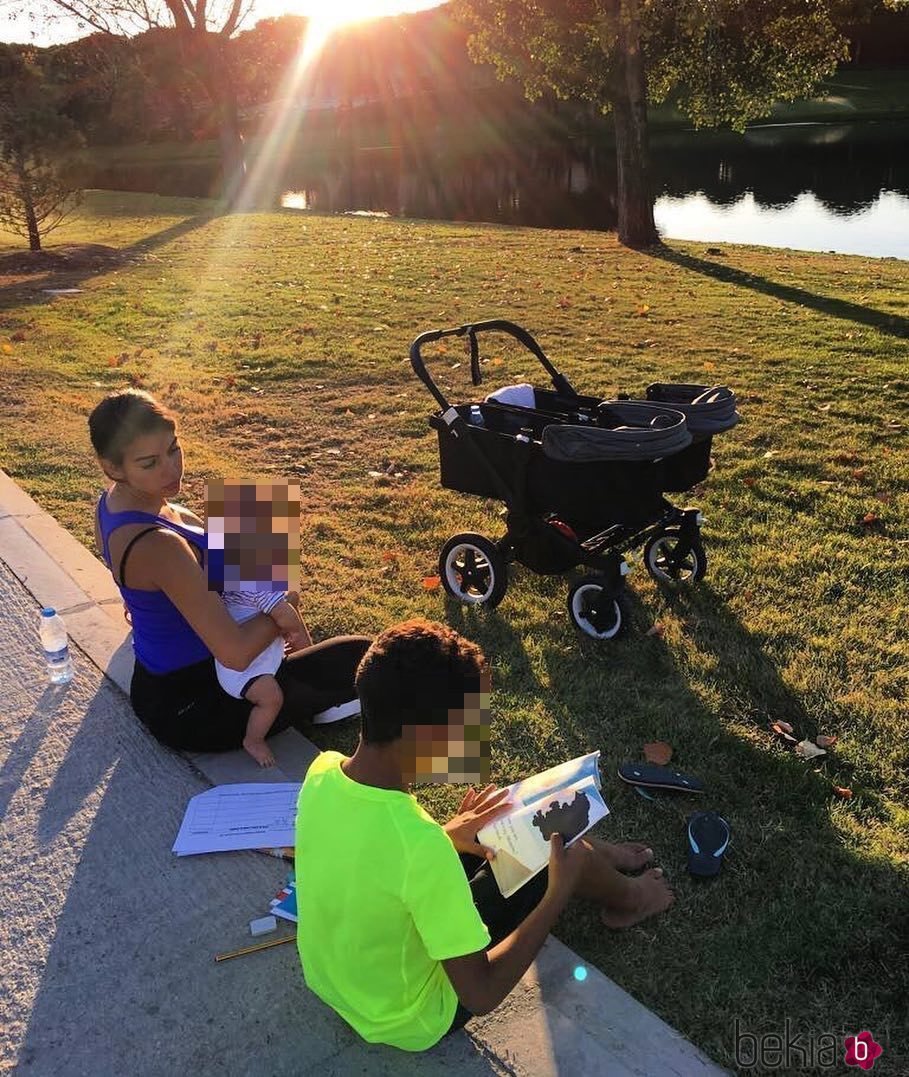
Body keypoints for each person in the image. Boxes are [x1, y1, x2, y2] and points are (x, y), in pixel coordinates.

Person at [294, 619, 673, 1053]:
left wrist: (448, 833)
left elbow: (372, 854)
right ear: (427, 736)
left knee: (495, 830)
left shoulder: (322, 771)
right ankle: (630, 899)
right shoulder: (421, 849)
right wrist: (555, 896)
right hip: (410, 1017)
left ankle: (595, 854)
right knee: (564, 853)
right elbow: (481, 993)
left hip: (337, 982)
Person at [88, 388, 370, 753]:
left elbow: (143, 585)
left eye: (173, 449)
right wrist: (282, 602)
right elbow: (235, 654)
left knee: (254, 512)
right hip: (194, 706)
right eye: (149, 463)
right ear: (112, 467)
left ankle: (294, 670)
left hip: (165, 677)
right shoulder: (158, 545)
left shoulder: (110, 503)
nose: (172, 468)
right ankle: (312, 702)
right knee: (359, 654)